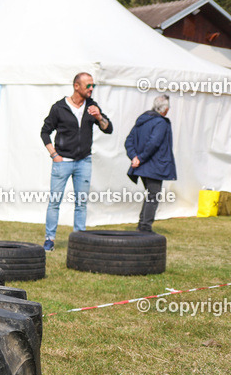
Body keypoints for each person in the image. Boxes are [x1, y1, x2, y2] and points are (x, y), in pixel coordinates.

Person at [40, 72, 112, 251]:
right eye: (88, 85)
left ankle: (79, 240)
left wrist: (99, 117)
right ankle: (49, 239)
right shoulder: (59, 107)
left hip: (83, 162)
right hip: (62, 162)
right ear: (76, 86)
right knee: (54, 202)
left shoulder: (92, 106)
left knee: (81, 203)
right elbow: (45, 132)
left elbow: (108, 128)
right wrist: (54, 155)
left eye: (93, 85)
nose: (91, 88)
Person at [125, 94, 175, 232]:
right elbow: (154, 143)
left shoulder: (142, 121)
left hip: (141, 166)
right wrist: (140, 158)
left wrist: (134, 157)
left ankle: (142, 224)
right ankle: (145, 227)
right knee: (154, 195)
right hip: (154, 166)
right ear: (165, 109)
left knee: (151, 194)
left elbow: (128, 141)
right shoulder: (161, 123)